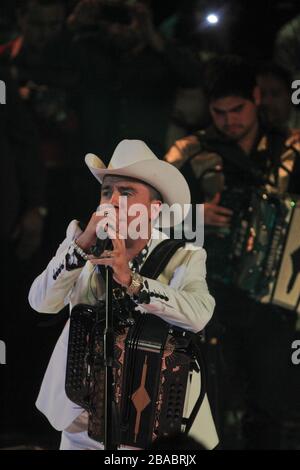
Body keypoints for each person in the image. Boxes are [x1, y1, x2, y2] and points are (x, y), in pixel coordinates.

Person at [28, 139, 218, 450]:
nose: (112, 200)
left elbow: (199, 315)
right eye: (106, 191)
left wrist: (132, 280)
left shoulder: (184, 256)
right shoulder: (81, 246)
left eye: (126, 192)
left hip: (154, 417)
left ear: (153, 208)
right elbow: (41, 303)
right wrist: (80, 249)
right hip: (82, 416)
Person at [165, 55, 300, 449]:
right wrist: (194, 216)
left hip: (274, 301)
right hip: (209, 296)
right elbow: (145, 214)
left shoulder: (290, 148)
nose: (229, 120)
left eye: (238, 109)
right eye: (219, 112)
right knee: (208, 402)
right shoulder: (189, 151)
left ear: (256, 97)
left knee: (268, 404)